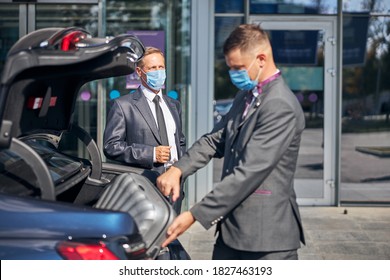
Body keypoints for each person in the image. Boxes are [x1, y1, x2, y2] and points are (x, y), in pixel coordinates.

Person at [156, 24, 306, 260]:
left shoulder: (280, 105)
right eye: (230, 68)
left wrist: (195, 214)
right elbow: (215, 140)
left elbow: (249, 172)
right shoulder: (245, 96)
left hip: (267, 240)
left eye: (238, 68)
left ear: (261, 59)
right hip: (232, 233)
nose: (234, 74)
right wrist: (178, 169)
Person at [103, 46, 186, 214]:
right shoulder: (123, 105)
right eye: (152, 68)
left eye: (161, 67)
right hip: (144, 187)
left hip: (174, 185)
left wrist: (181, 172)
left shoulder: (173, 105)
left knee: (170, 238)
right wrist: (152, 154)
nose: (158, 72)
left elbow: (181, 142)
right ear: (140, 72)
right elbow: (111, 147)